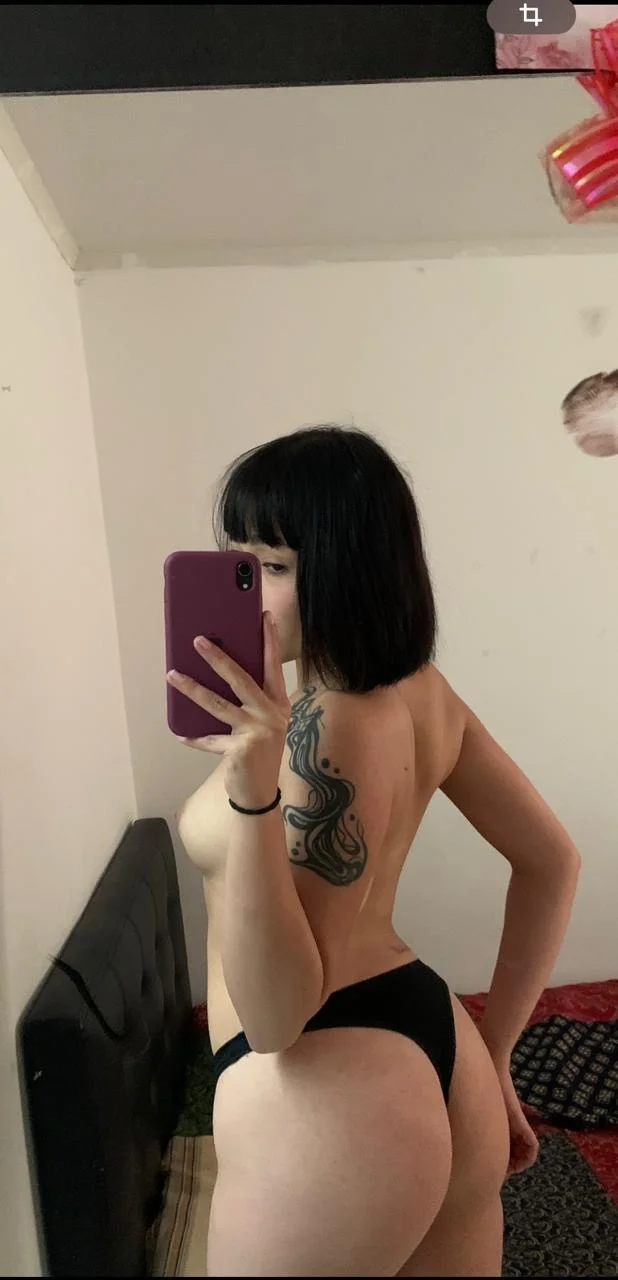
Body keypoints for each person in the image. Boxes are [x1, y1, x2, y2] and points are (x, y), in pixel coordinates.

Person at [168, 425, 580, 1277]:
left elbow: (277, 1019)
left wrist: (251, 788)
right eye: (237, 560)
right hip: (429, 1041)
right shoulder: (419, 690)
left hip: (323, 1084)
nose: (248, 592)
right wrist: (495, 1050)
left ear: (349, 566)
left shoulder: (326, 724)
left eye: (272, 567)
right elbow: (552, 861)